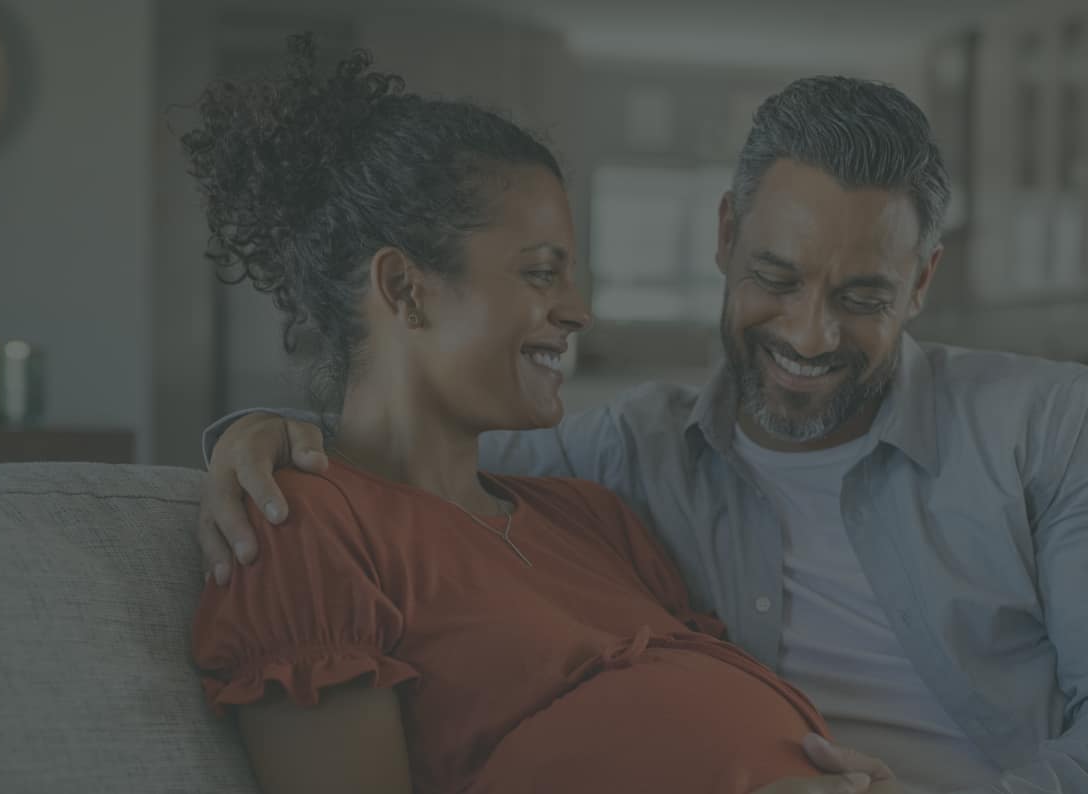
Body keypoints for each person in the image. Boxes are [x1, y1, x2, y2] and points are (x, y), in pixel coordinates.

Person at [198, 65, 1088, 794]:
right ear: (727, 233)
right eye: (776, 277)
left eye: (863, 296)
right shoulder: (623, 457)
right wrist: (257, 434)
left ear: (923, 281)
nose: (809, 333)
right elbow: (402, 471)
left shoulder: (1045, 423)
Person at [183, 35, 900, 794]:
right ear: (403, 289)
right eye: (539, 273)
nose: (577, 310)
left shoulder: (592, 518)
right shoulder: (307, 528)